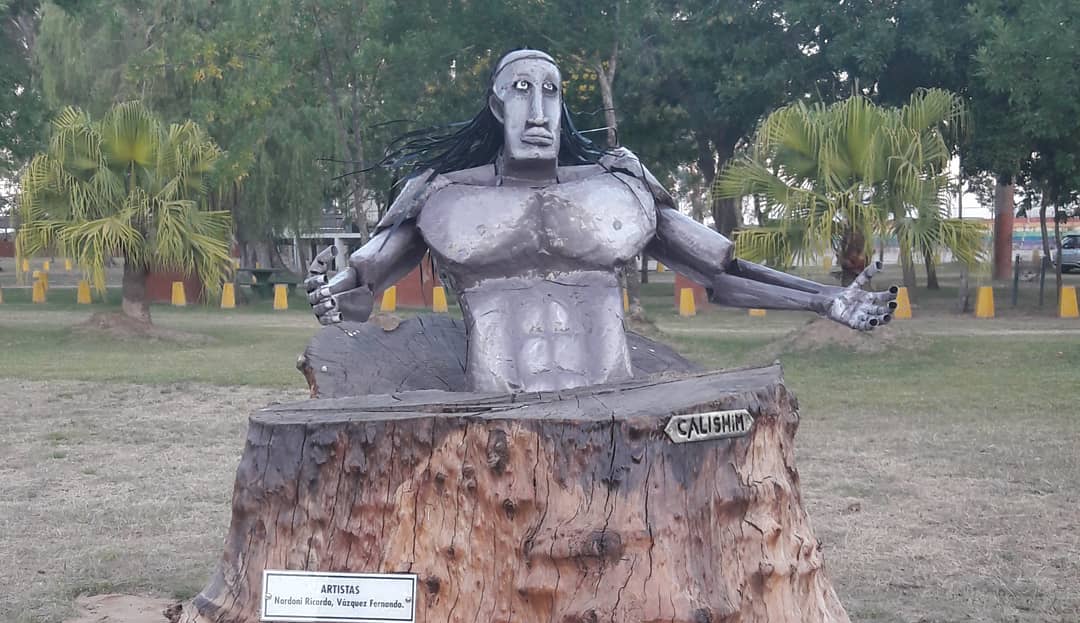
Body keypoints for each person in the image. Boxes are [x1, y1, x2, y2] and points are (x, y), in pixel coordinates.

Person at [307, 49, 896, 394]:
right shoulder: (440, 195)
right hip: (496, 418)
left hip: (614, 413)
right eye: (521, 90)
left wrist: (825, 300)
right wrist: (329, 295)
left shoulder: (618, 185)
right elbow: (360, 290)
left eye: (551, 92)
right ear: (496, 105)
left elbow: (721, 271)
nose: (538, 111)